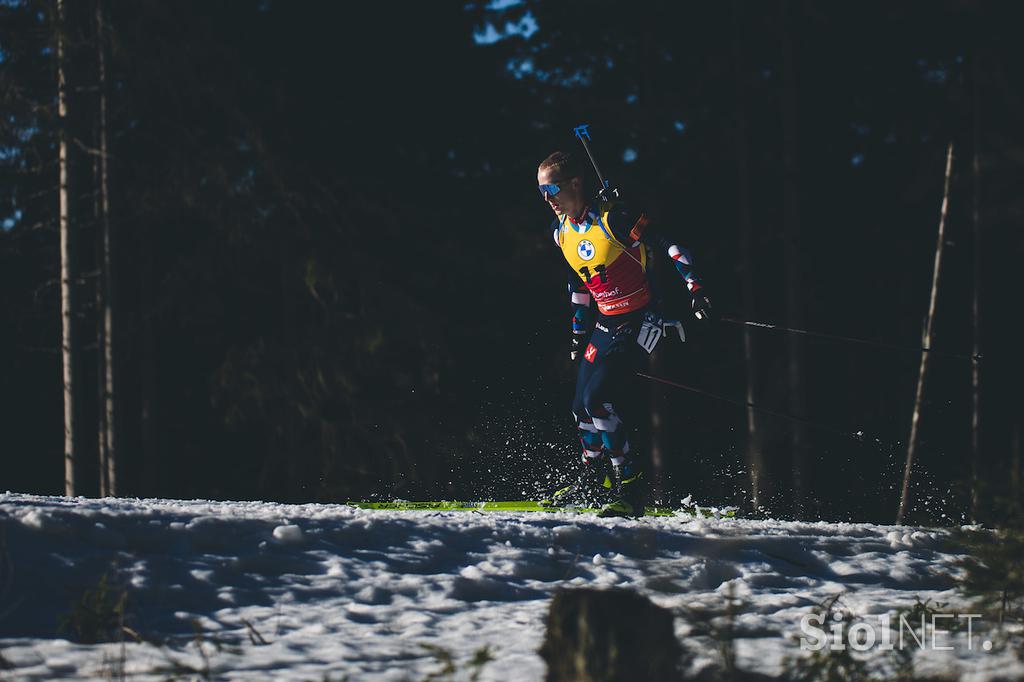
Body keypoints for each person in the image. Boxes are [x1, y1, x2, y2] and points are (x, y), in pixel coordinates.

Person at [537, 150, 712, 517]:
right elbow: (580, 283)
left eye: (552, 188)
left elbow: (669, 245)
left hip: (640, 319)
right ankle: (592, 481)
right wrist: (576, 332)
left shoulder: (612, 220)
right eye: (541, 192)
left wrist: (695, 288)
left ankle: (630, 489)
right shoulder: (561, 234)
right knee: (579, 407)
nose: (548, 199)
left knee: (598, 400)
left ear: (574, 183)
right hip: (604, 322)